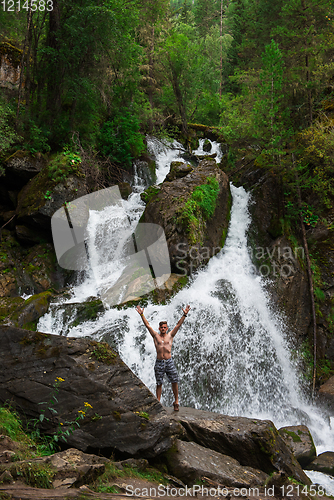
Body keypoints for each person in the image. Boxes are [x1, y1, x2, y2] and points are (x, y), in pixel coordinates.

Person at [135, 304, 191, 411]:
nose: (163, 329)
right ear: (159, 328)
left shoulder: (170, 335)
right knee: (159, 383)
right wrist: (142, 315)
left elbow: (178, 325)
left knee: (174, 381)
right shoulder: (156, 336)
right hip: (159, 362)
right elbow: (148, 326)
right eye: (162, 327)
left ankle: (176, 401)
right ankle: (158, 402)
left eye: (165, 327)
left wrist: (184, 315)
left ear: (167, 328)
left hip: (169, 362)